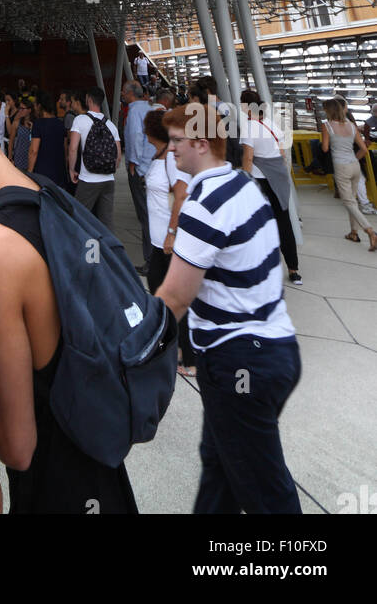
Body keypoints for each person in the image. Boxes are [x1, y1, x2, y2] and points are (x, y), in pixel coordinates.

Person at [0, 80, 137, 514]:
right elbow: (55, 316)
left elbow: (17, 448)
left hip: (54, 484)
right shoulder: (45, 197)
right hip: (100, 465)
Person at [156, 102, 301, 514]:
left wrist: (124, 344)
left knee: (266, 493)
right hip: (273, 350)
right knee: (220, 467)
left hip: (240, 362)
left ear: (202, 144)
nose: (171, 150)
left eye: (177, 142)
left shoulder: (204, 204)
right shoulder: (243, 185)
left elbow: (174, 297)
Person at [142, 108, 195, 376]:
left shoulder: (172, 160)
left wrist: (172, 232)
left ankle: (188, 354)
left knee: (174, 295)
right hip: (158, 238)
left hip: (169, 240)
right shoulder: (160, 155)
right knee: (158, 289)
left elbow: (182, 195)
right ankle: (174, 345)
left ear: (152, 132)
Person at [240, 90, 302, 284]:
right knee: (284, 223)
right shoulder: (271, 124)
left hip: (261, 180)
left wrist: (243, 182)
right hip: (280, 178)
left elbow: (248, 157)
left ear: (245, 106)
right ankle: (294, 270)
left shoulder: (249, 127)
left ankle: (260, 268)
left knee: (257, 224)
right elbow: (282, 154)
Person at [320, 97, 377, 251]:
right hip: (354, 165)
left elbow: (325, 148)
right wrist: (353, 159)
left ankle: (370, 231)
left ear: (329, 111)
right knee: (352, 201)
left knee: (349, 202)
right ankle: (353, 233)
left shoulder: (327, 126)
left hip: (341, 167)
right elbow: (364, 149)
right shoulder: (352, 126)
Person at [68, 87, 120, 232]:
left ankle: (81, 250)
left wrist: (72, 169)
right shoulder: (111, 125)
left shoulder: (80, 120)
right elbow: (118, 156)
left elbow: (73, 149)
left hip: (88, 180)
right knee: (106, 222)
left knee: (79, 218)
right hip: (108, 180)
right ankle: (108, 251)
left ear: (88, 100)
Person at [122, 80, 154, 275]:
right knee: (151, 214)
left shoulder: (134, 112)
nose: (122, 96)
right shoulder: (148, 109)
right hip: (151, 166)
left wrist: (133, 163)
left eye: (124, 93)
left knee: (145, 216)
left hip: (140, 169)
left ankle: (150, 260)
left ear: (129, 93)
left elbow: (134, 137)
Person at [27, 91, 67, 187]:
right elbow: (65, 148)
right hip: (59, 171)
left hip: (42, 172)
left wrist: (29, 172)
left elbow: (33, 150)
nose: (34, 108)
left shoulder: (38, 124)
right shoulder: (60, 123)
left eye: (35, 105)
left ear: (39, 106)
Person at [8, 100, 33, 171]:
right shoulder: (16, 123)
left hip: (30, 157)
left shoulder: (35, 124)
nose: (20, 110)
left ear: (29, 110)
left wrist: (32, 130)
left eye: (23, 109)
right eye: (20, 108)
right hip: (19, 157)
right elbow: (11, 141)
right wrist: (10, 158)